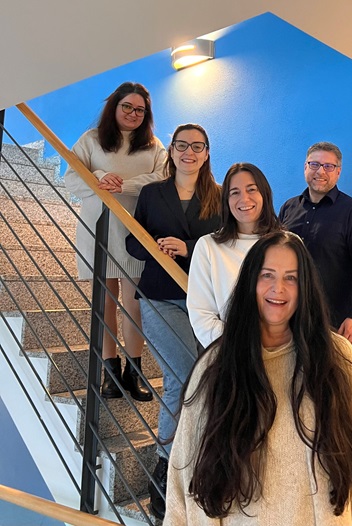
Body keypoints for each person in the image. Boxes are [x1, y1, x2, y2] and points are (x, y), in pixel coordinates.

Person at [164, 231, 352, 525]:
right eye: (267, 275)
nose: (278, 288)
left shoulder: (336, 359)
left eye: (291, 278)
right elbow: (185, 475)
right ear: (250, 282)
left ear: (304, 287)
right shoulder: (216, 366)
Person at [125, 123, 221, 519]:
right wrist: (156, 244)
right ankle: (165, 468)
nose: (188, 152)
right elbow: (133, 240)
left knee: (211, 380)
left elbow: (226, 242)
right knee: (181, 376)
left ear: (206, 153)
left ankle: (199, 460)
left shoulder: (217, 196)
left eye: (197, 146)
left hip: (206, 302)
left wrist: (190, 246)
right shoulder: (152, 193)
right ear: (172, 152)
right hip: (160, 296)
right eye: (181, 146)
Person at [64, 82, 167, 401]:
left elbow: (164, 177)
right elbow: (72, 176)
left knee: (134, 303)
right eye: (128, 107)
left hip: (135, 231)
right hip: (98, 227)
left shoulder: (153, 145)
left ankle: (133, 371)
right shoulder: (92, 139)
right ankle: (109, 372)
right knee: (105, 300)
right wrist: (99, 181)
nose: (134, 114)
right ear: (115, 106)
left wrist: (123, 183)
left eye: (140, 109)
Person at [279, 141, 352, 345]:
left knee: (324, 377)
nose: (321, 172)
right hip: (285, 316)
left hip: (331, 321)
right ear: (305, 167)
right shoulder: (288, 208)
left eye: (328, 166)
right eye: (314, 164)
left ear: (338, 172)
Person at [187, 162, 280, 349]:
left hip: (282, 350)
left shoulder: (288, 244)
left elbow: (301, 304)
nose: (244, 199)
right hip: (230, 355)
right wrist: (239, 347)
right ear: (226, 200)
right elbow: (201, 314)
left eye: (251, 189)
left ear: (264, 194)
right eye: (234, 192)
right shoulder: (208, 246)